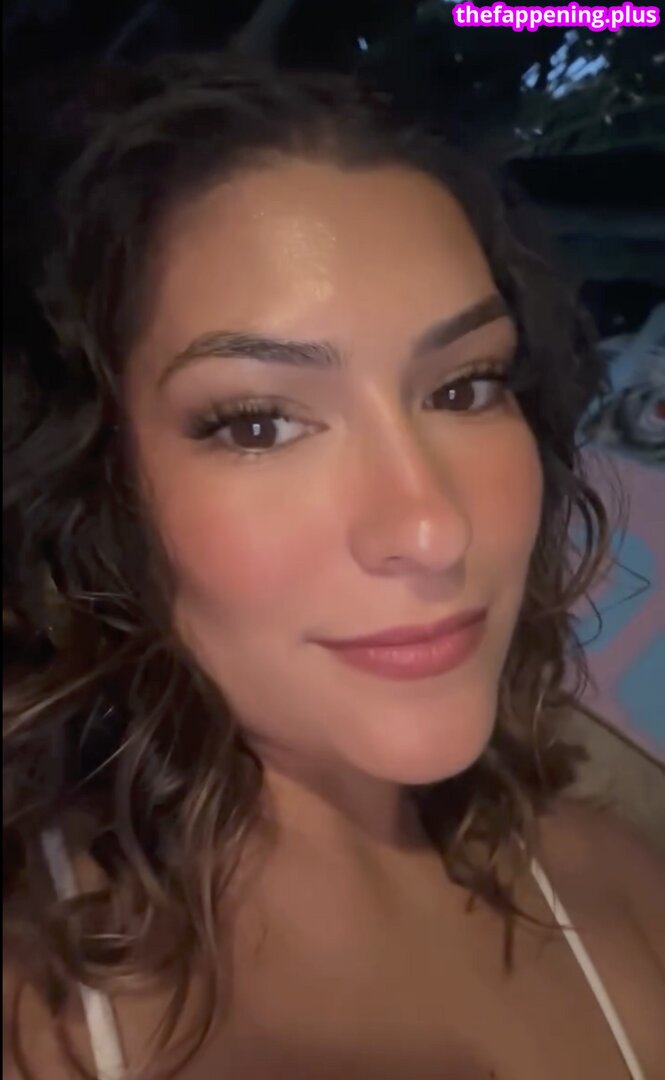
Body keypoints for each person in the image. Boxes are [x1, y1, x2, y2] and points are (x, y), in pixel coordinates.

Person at [3, 53, 663, 1080]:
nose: (430, 528)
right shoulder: (33, 1018)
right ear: (92, 483)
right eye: (257, 423)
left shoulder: (626, 892)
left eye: (463, 388)